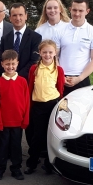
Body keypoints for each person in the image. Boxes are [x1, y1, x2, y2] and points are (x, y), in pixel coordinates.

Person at [25, 40, 64, 175]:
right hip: (38, 106)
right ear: (40, 53)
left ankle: (49, 164)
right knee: (37, 136)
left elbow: (60, 88)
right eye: (44, 52)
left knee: (51, 136)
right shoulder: (34, 69)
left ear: (55, 53)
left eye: (50, 52)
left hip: (52, 105)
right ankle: (32, 163)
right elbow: (31, 87)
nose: (47, 55)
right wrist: (29, 106)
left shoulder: (58, 70)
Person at [0, 50, 30, 180]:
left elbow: (26, 102)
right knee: (2, 147)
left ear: (17, 63)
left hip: (18, 122)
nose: (10, 66)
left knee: (16, 147)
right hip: (3, 122)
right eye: (7, 64)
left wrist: (25, 120)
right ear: (2, 64)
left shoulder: (22, 81)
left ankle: (16, 168)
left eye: (13, 64)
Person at [57, 0, 93, 95]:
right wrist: (61, 76)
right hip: (60, 79)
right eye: (74, 10)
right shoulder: (60, 30)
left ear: (87, 11)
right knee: (58, 109)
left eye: (81, 11)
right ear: (70, 9)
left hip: (82, 80)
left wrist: (79, 78)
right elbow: (54, 56)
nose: (77, 14)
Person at [0, 3, 41, 84]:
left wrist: (17, 77)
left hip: (26, 81)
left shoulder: (35, 37)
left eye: (20, 15)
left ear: (26, 16)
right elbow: (0, 59)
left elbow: (34, 60)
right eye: (14, 15)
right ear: (10, 18)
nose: (18, 18)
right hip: (7, 81)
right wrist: (8, 75)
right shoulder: (5, 38)